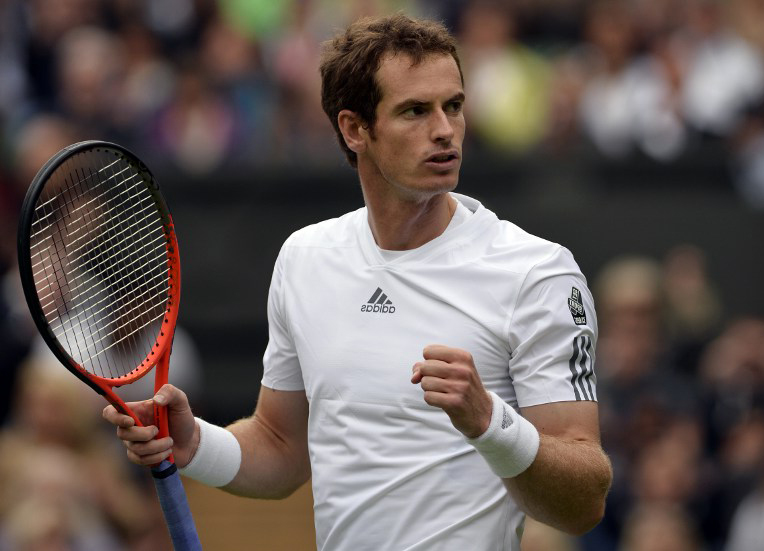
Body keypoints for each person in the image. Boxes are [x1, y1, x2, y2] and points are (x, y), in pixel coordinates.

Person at [103, 13, 612, 550]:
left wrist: (490, 423)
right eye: (415, 110)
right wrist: (194, 444)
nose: (444, 129)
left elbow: (584, 504)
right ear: (354, 129)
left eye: (454, 106)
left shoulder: (537, 272)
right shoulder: (305, 258)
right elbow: (281, 447)